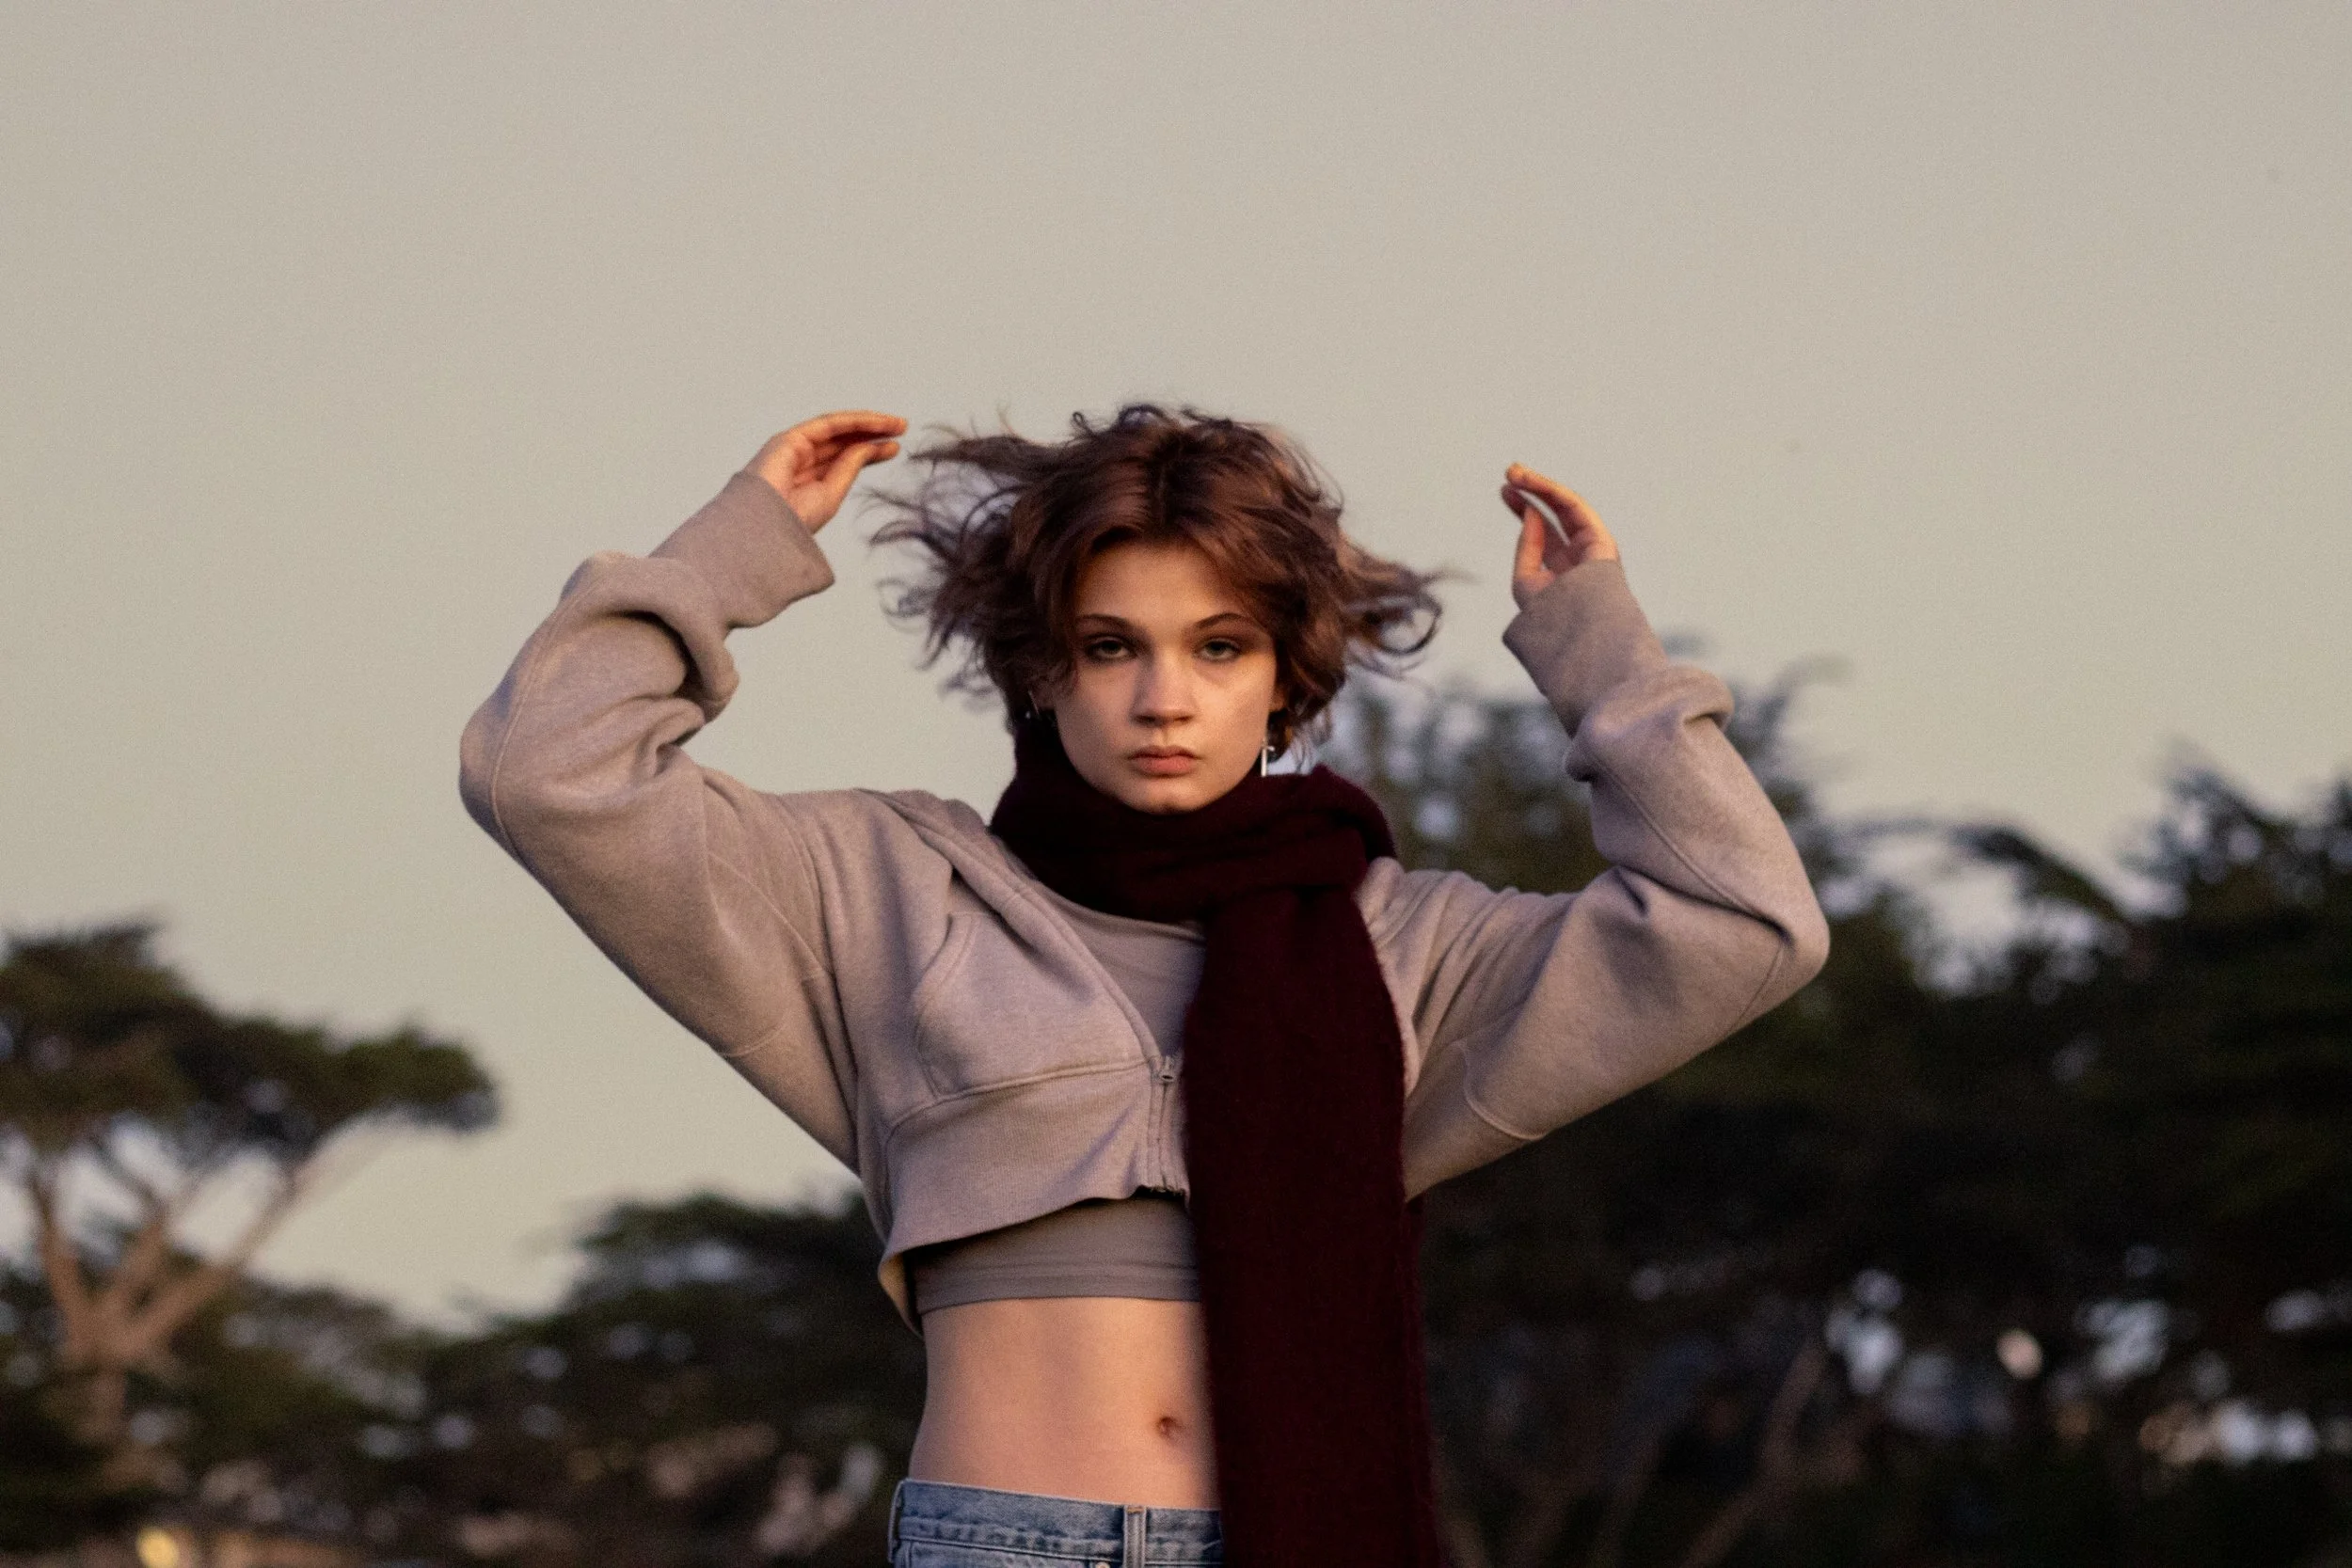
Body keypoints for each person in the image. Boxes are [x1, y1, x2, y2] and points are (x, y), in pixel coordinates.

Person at [459, 404, 1830, 1568]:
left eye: (1218, 646)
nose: (1165, 696)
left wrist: (1599, 653)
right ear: (1042, 667)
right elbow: (549, 773)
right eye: (1113, 645)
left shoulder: (1399, 943)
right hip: (1000, 1539)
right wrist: (732, 552)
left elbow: (1742, 923)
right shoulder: (882, 893)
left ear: (1284, 679)